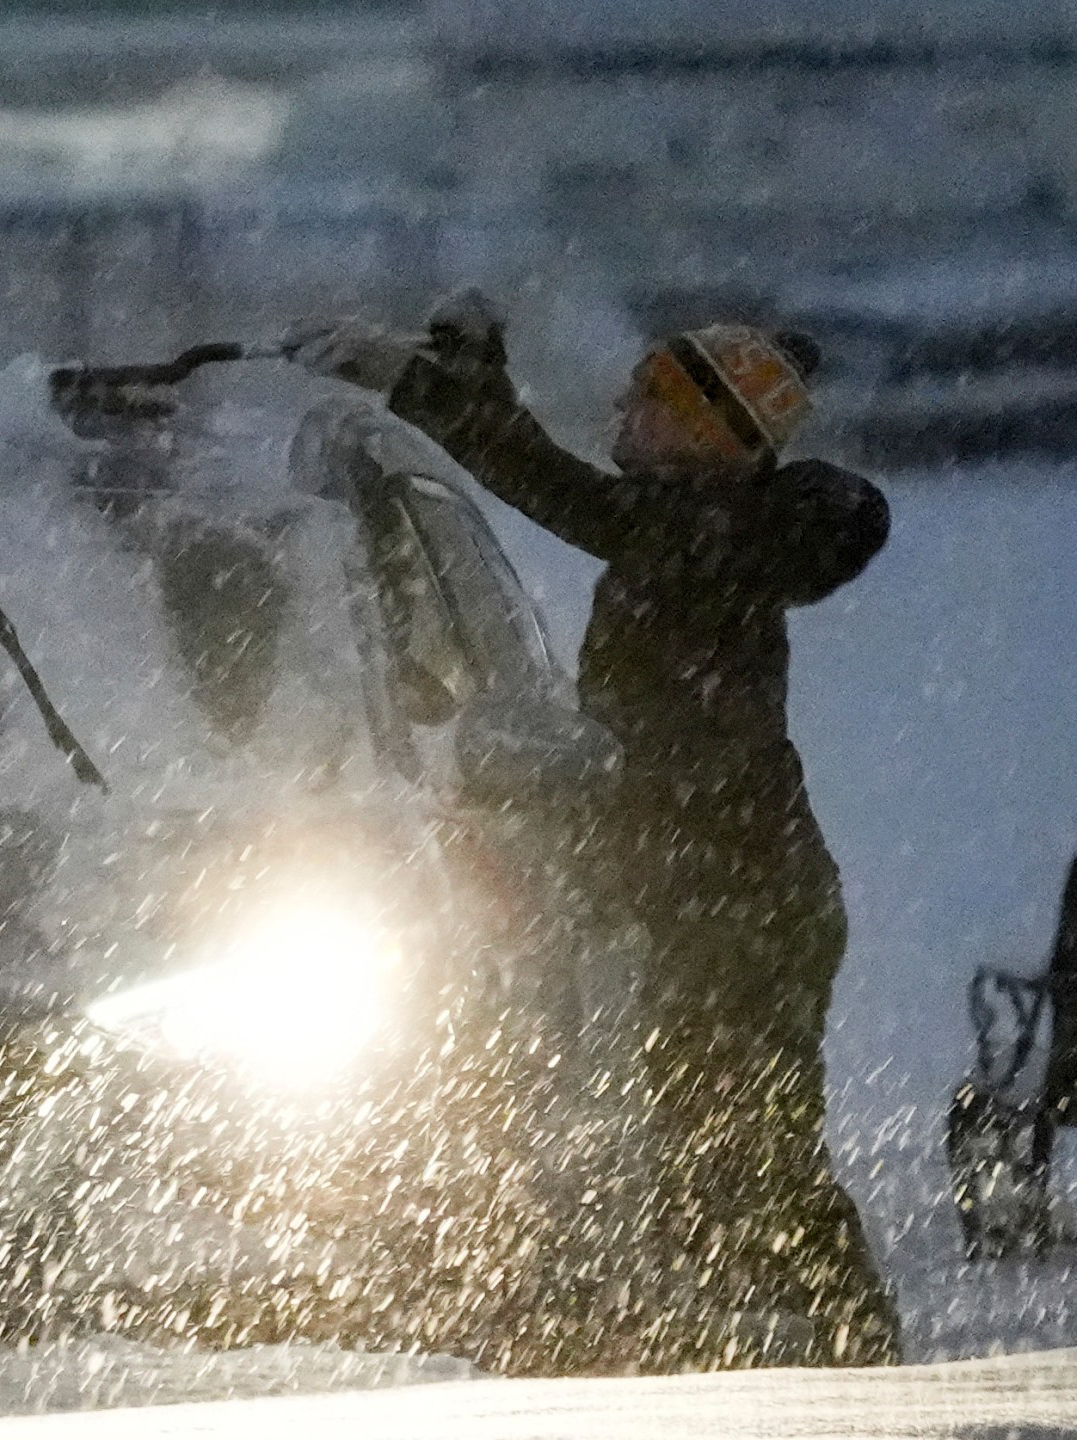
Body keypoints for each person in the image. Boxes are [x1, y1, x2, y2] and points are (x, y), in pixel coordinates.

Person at [283, 294, 899, 1369]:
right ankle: (781, 1359)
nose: (622, 409)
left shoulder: (712, 539)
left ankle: (846, 1362)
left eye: (647, 400)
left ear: (704, 433)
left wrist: (430, 393)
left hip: (743, 907)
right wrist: (478, 391)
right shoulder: (702, 530)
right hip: (713, 899)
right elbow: (599, 501)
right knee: (706, 1150)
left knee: (744, 1151)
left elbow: (577, 501)